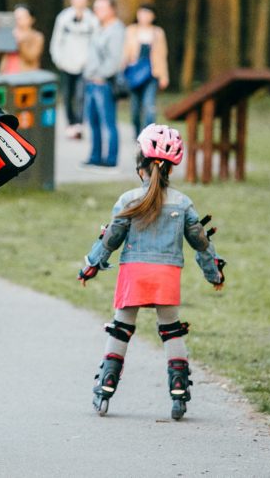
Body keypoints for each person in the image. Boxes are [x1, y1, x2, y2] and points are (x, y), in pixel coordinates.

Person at [77, 124, 226, 420]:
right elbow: (200, 241)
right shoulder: (183, 203)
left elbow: (111, 239)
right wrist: (214, 273)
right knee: (171, 331)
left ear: (140, 165)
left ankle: (105, 387)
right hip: (166, 275)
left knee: (121, 328)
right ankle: (180, 392)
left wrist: (91, 266)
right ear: (171, 167)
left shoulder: (129, 200)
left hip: (134, 273)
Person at [83, 0, 125, 167]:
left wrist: (102, 76)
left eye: (101, 8)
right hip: (91, 81)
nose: (97, 11)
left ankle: (111, 159)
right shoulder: (99, 28)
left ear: (112, 9)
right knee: (93, 122)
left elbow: (114, 60)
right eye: (95, 8)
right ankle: (95, 156)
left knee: (108, 122)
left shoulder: (116, 30)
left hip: (104, 83)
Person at [51, 0, 98, 139]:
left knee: (80, 96)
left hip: (84, 65)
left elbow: (95, 42)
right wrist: (58, 60)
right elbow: (56, 41)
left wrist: (91, 63)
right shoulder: (63, 18)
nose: (80, 3)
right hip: (66, 63)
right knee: (67, 95)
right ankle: (70, 123)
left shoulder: (92, 19)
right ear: (72, 1)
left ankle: (78, 124)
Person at [122, 3, 169, 138]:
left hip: (152, 74)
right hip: (133, 74)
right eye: (142, 13)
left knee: (149, 107)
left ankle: (149, 137)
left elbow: (162, 55)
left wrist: (164, 76)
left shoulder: (158, 32)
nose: (144, 17)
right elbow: (124, 52)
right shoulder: (130, 30)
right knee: (135, 109)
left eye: (148, 14)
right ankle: (137, 134)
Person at [0, 4, 45, 74]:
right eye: (16, 17)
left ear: (31, 19)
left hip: (27, 77)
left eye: (22, 17)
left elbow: (31, 57)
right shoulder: (8, 33)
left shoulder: (37, 36)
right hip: (6, 75)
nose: (18, 19)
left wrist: (20, 42)